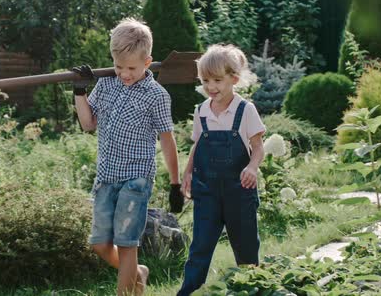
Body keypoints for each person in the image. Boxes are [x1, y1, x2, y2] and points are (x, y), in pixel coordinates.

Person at [72, 18, 181, 296]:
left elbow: (168, 141)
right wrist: (80, 90)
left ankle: (127, 289)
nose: (124, 73)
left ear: (148, 62)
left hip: (136, 179)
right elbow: (88, 124)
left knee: (127, 243)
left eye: (131, 68)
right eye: (119, 66)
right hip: (106, 177)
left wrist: (175, 184)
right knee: (99, 243)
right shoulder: (107, 84)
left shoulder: (156, 96)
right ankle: (137, 272)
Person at [177, 44, 266, 296]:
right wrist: (187, 174)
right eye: (205, 81)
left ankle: (253, 289)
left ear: (233, 79)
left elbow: (258, 148)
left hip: (240, 191)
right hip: (207, 193)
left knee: (246, 248)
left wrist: (252, 167)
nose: (211, 87)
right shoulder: (201, 111)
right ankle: (187, 292)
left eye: (217, 80)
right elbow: (198, 144)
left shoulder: (245, 110)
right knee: (199, 248)